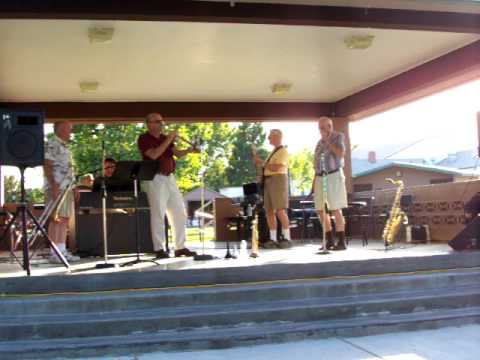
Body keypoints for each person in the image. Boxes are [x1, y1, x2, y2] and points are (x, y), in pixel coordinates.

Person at [137, 113, 199, 259]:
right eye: (157, 121)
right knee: (158, 212)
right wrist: (170, 138)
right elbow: (154, 154)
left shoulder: (165, 138)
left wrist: (190, 150)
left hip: (170, 177)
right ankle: (159, 248)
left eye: (161, 121)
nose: (161, 123)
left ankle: (180, 247)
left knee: (179, 211)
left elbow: (177, 154)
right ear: (149, 124)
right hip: (154, 178)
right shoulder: (144, 138)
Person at [43, 121, 80, 263]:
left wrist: (75, 187)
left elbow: (69, 169)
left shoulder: (65, 147)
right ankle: (55, 252)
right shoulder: (52, 144)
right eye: (69, 129)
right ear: (60, 129)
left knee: (64, 219)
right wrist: (53, 185)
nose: (71, 131)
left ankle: (61, 250)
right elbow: (47, 165)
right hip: (57, 187)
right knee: (56, 219)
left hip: (66, 188)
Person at [312, 116, 348, 251]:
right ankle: (329, 240)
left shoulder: (338, 137)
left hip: (333, 175)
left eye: (323, 127)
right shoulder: (318, 143)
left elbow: (341, 153)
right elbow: (315, 162)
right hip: (320, 177)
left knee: (335, 208)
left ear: (330, 126)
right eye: (319, 128)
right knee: (320, 209)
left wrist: (328, 141)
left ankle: (341, 242)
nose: (321, 130)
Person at [253, 129, 292, 249]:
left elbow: (277, 167)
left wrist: (262, 163)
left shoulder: (283, 151)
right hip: (268, 181)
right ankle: (273, 238)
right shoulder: (273, 152)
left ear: (277, 137)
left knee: (280, 210)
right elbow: (268, 167)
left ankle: (287, 238)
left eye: (270, 137)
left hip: (278, 180)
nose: (269, 139)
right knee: (269, 211)